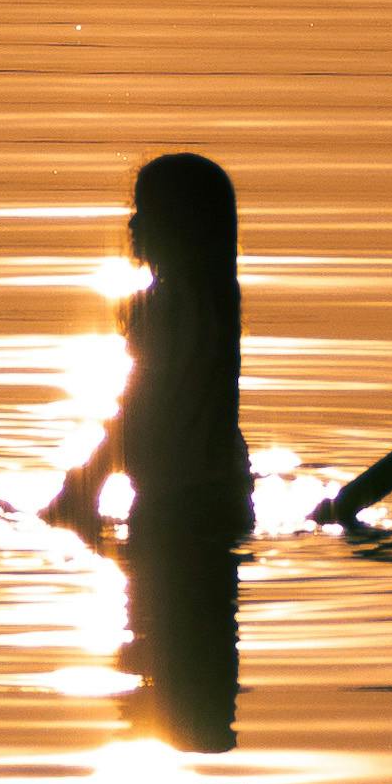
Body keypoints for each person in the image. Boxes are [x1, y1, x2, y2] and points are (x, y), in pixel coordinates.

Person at [48, 152, 251, 536]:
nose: (134, 223)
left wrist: (84, 485)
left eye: (146, 211)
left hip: (173, 504)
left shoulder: (165, 307)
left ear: (182, 224)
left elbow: (140, 406)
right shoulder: (217, 302)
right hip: (223, 493)